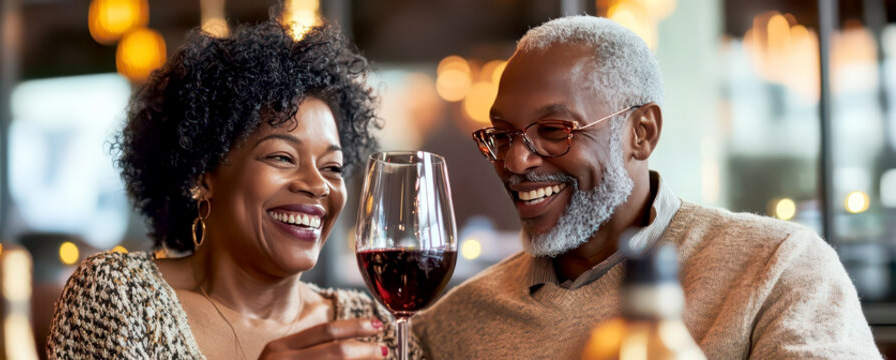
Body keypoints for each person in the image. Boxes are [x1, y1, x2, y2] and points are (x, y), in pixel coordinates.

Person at [412, 15, 881, 359]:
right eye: (502, 135)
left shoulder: (778, 267)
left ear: (642, 133)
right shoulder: (454, 324)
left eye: (555, 130)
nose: (514, 161)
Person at [47, 20, 423, 359]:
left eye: (333, 167)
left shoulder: (375, 324)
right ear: (202, 174)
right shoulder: (121, 297)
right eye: (282, 157)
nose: (316, 185)